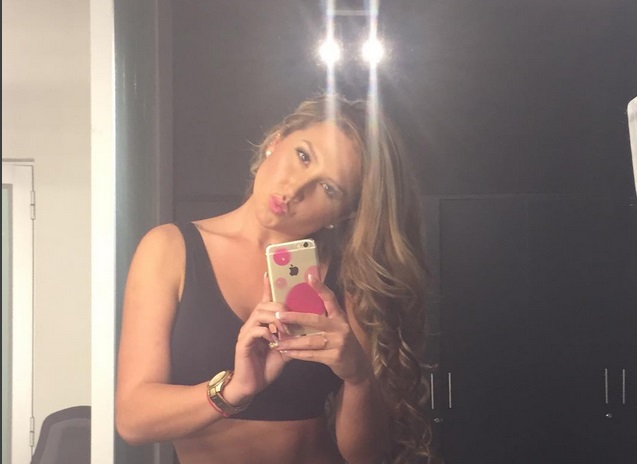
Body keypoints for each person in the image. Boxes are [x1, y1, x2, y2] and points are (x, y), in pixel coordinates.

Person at [115, 94, 433, 464]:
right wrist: (235, 389)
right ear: (275, 141)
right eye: (303, 156)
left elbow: (363, 456)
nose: (296, 190)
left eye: (328, 188)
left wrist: (359, 378)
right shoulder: (170, 249)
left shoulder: (349, 279)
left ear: (343, 214)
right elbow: (133, 420)